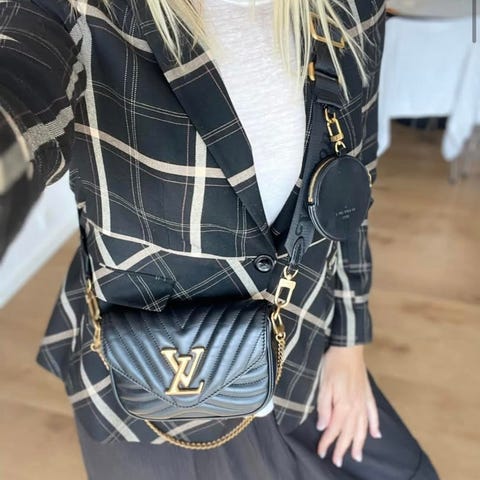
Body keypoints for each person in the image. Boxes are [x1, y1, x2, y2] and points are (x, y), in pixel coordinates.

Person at [0, 0, 441, 478]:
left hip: (304, 356)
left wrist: (349, 342)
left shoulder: (350, 8)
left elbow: (352, 187)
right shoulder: (80, 9)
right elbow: (19, 88)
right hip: (150, 393)